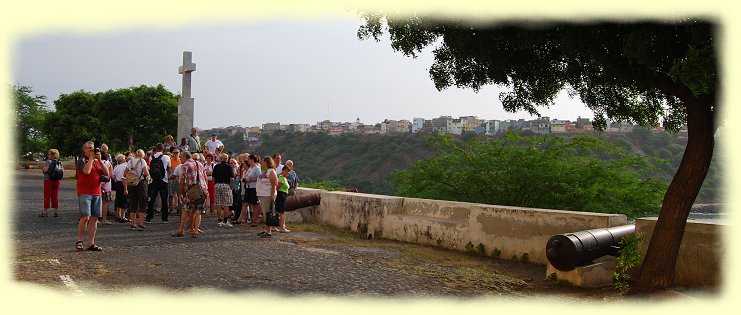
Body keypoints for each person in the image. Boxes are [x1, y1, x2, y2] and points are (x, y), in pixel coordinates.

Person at [75, 141, 109, 251]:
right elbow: (87, 171)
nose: (92, 151)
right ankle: (79, 240)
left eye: (93, 148)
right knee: (85, 217)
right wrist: (90, 158)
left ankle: (91, 243)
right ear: (84, 149)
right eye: (89, 148)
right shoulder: (81, 161)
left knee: (94, 218)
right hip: (85, 192)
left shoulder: (96, 161)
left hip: (97, 192)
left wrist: (99, 160)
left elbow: (107, 173)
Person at [177, 150, 209, 238]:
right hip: (202, 189)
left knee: (185, 209)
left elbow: (182, 180)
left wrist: (180, 193)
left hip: (192, 190)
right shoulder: (200, 163)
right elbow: (204, 176)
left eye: (181, 157)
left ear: (184, 157)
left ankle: (181, 230)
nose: (180, 159)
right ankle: (195, 231)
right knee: (199, 211)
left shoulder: (186, 165)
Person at [124, 149, 150, 231]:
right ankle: (141, 223)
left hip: (131, 184)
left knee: (133, 203)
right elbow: (146, 173)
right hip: (141, 184)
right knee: (142, 203)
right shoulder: (142, 161)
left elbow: (125, 173)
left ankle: (132, 224)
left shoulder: (130, 162)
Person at [145, 143, 171, 224]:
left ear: (156, 149)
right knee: (164, 199)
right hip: (164, 180)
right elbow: (169, 169)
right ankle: (164, 218)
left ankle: (149, 217)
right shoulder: (167, 157)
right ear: (163, 149)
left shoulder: (151, 157)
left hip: (153, 180)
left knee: (152, 199)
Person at [256, 156, 278, 238]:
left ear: (266, 162)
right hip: (262, 194)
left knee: (267, 213)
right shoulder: (266, 171)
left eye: (263, 162)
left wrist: (272, 195)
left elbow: (274, 184)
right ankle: (266, 229)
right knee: (265, 213)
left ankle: (269, 231)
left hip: (267, 195)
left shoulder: (271, 171)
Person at [238, 154, 261, 226]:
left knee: (255, 205)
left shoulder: (257, 168)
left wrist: (251, 180)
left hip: (253, 188)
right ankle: (239, 219)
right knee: (245, 203)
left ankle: (254, 221)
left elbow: (260, 178)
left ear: (252, 160)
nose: (248, 161)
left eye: (249, 159)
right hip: (248, 187)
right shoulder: (251, 168)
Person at [212, 153, 235, 227]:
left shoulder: (216, 166)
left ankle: (219, 219)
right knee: (226, 204)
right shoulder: (229, 167)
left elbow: (213, 178)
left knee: (218, 203)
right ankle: (225, 220)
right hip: (225, 185)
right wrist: (231, 186)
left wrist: (214, 184)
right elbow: (231, 178)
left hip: (217, 184)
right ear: (227, 159)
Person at [41, 148, 62, 217]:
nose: (48, 155)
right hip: (57, 181)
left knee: (47, 196)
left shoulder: (48, 162)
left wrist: (43, 168)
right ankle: (55, 212)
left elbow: (45, 170)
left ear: (52, 155)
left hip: (48, 180)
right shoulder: (59, 162)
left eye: (49, 154)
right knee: (55, 196)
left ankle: (45, 212)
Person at [98, 148, 114, 225]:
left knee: (96, 202)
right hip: (107, 185)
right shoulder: (109, 164)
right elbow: (110, 175)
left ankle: (96, 218)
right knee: (105, 203)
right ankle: (104, 219)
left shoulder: (97, 163)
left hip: (97, 184)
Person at [112, 154, 130, 223]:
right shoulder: (126, 166)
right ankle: (123, 216)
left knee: (118, 199)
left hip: (118, 183)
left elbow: (113, 176)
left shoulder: (116, 167)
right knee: (124, 199)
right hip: (124, 183)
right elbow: (124, 178)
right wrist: (126, 188)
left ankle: (118, 215)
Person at [275, 166, 291, 233]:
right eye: (286, 170)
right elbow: (277, 187)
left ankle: (276, 226)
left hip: (283, 195)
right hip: (281, 195)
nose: (287, 172)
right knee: (281, 212)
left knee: (280, 211)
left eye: (288, 171)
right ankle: (282, 227)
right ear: (283, 170)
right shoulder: (281, 178)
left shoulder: (284, 178)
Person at [168, 147, 181, 214]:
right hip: (171, 179)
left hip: (178, 179)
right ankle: (171, 208)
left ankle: (179, 208)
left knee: (179, 194)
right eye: (174, 153)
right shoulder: (170, 160)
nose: (175, 154)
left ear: (179, 154)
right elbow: (169, 170)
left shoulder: (181, 161)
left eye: (177, 153)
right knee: (171, 194)